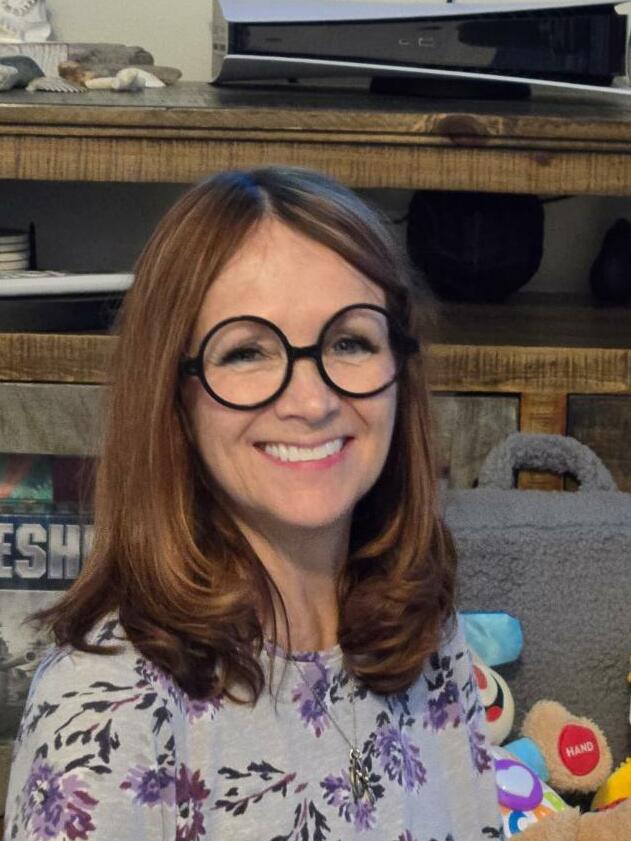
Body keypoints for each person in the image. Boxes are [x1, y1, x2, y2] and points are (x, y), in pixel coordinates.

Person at [4, 168, 502, 841]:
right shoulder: (102, 715)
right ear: (174, 396)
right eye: (246, 352)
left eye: (349, 342)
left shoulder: (423, 632)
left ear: (400, 368)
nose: (312, 401)